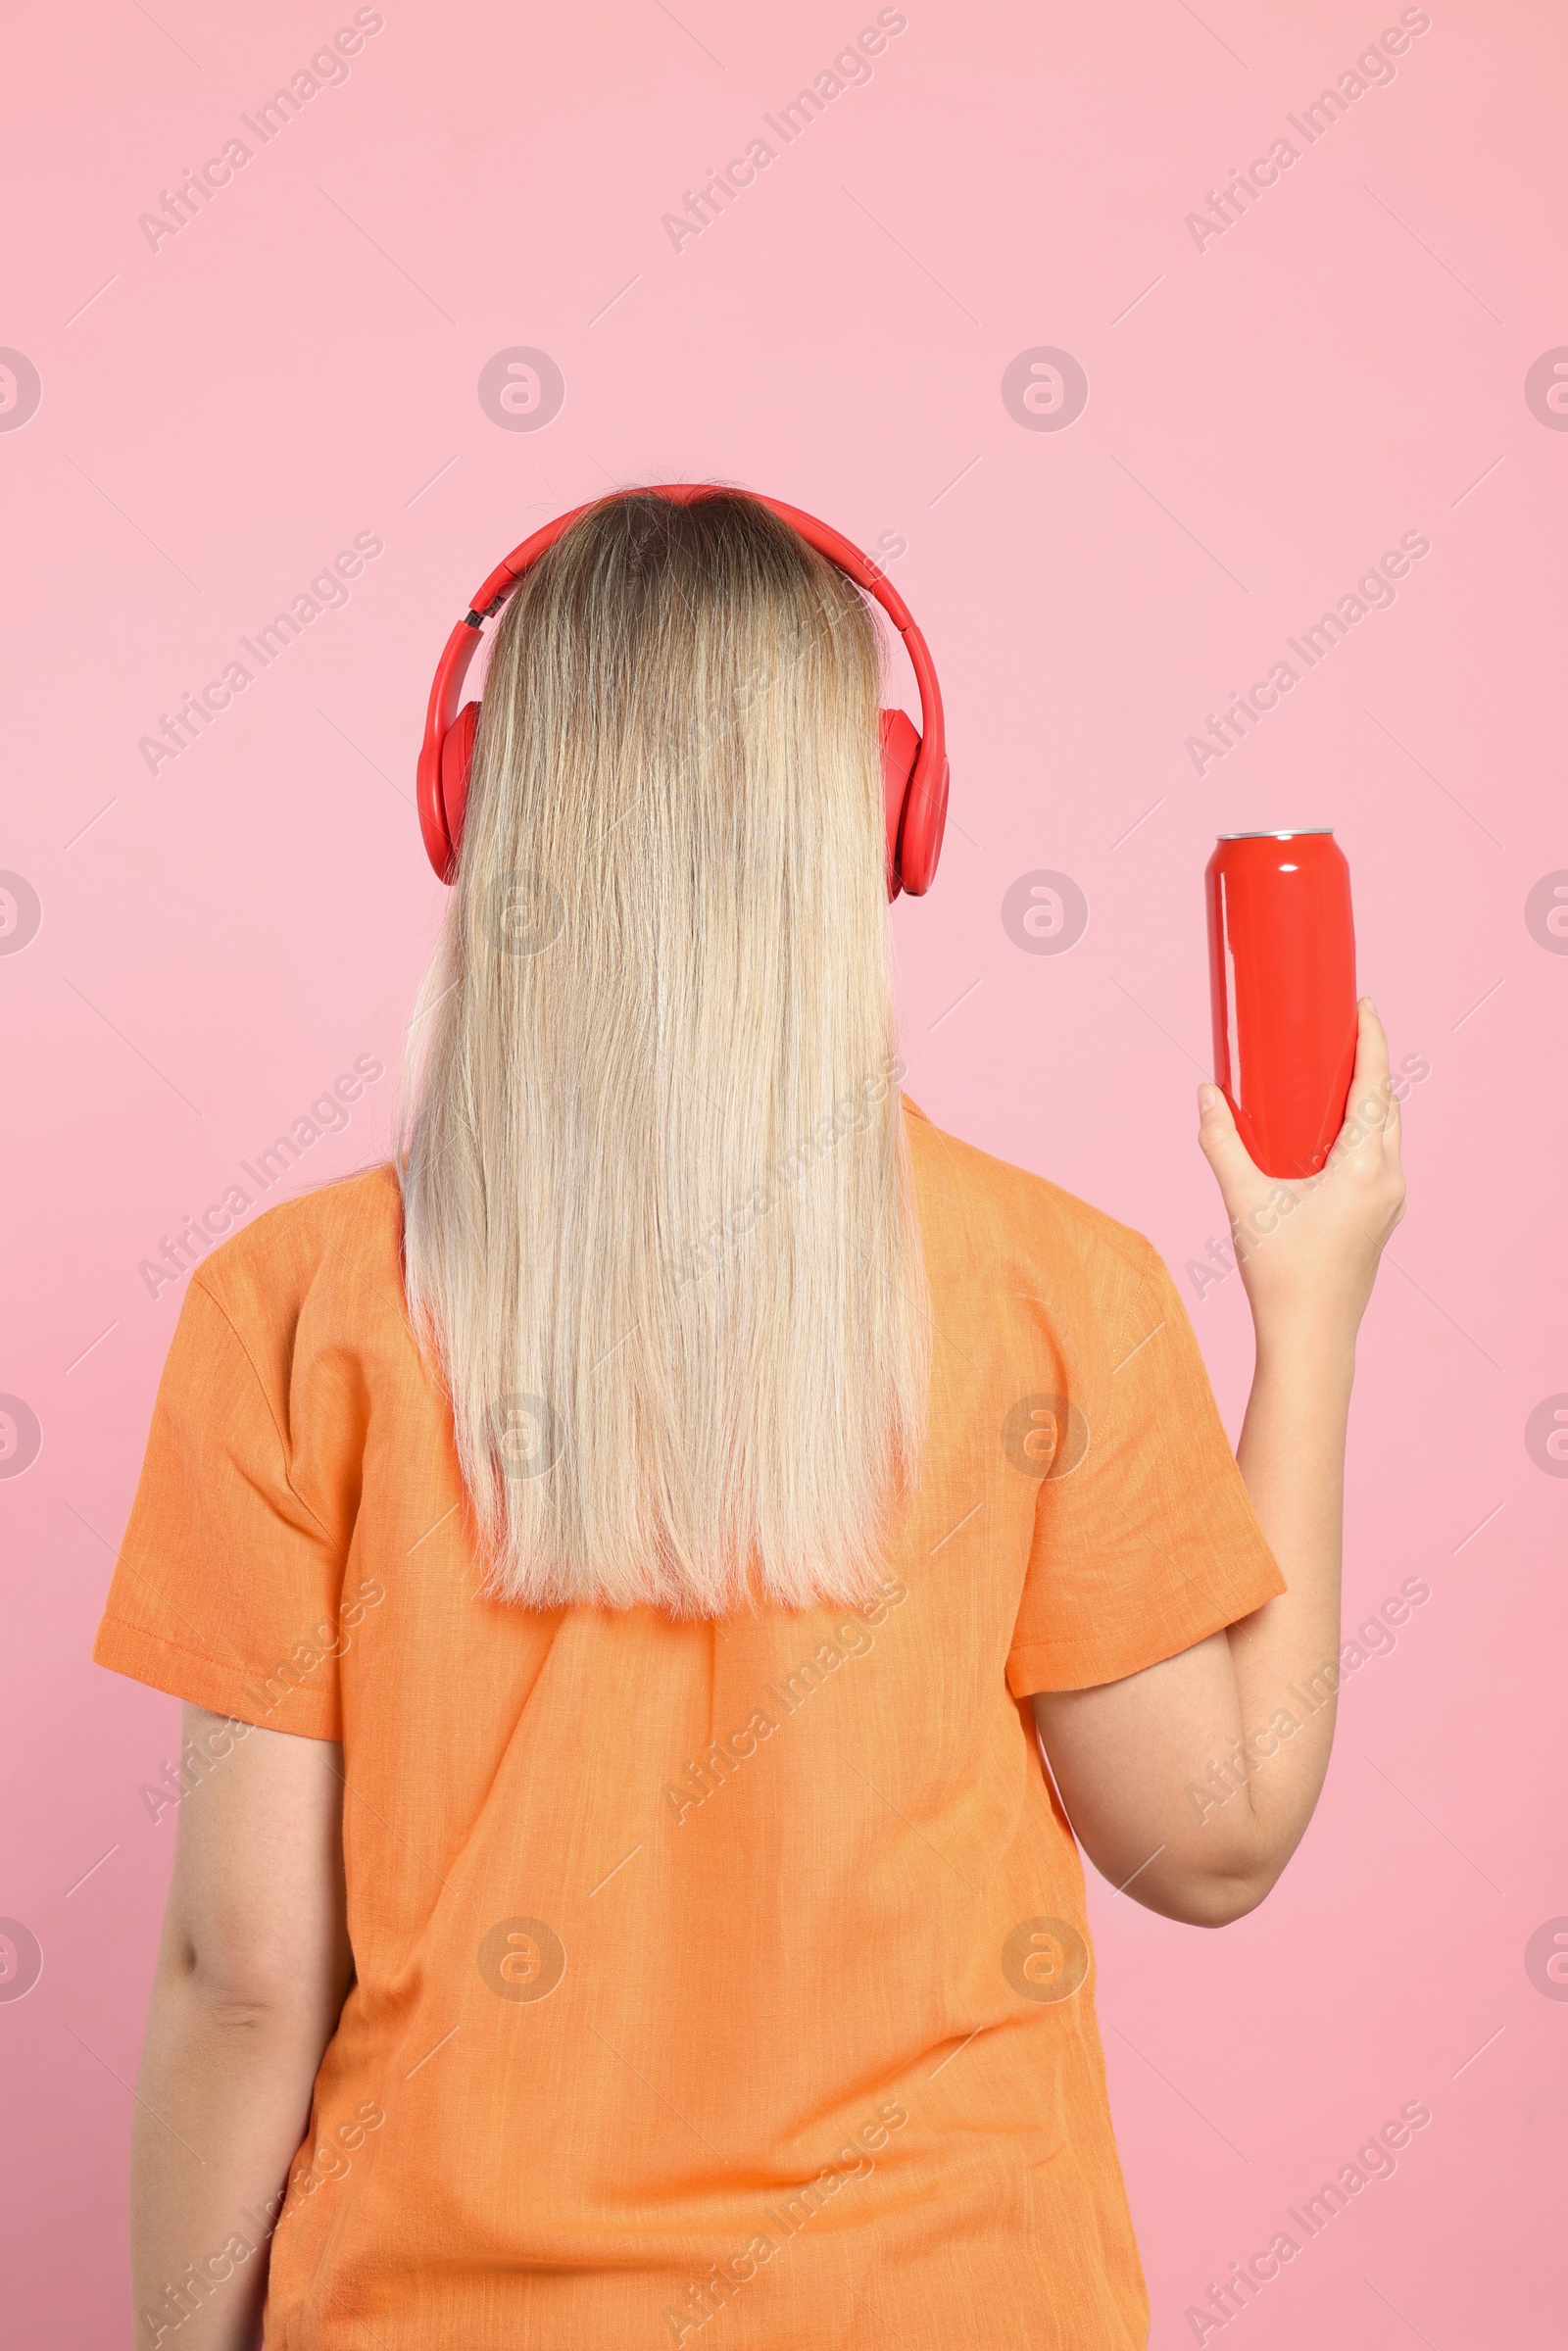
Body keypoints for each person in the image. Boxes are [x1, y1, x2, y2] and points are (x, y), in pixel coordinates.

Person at [94, 488, 1406, 2350]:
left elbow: (244, 1981)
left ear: (473, 803)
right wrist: (1313, 1303)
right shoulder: (1056, 1287)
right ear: (884, 817)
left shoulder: (292, 1311)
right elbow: (1217, 1838)